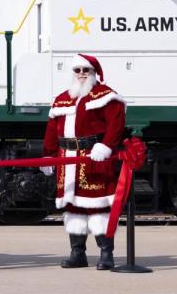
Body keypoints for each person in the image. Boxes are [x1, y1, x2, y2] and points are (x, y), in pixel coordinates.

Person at [42, 54, 126, 270]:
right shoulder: (62, 98)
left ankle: (106, 254)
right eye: (77, 70)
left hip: (93, 158)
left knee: (98, 207)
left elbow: (116, 124)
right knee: (73, 208)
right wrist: (49, 155)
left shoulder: (106, 96)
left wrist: (106, 146)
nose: (81, 74)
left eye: (85, 70)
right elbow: (52, 129)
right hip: (67, 160)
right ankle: (77, 253)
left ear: (94, 72)